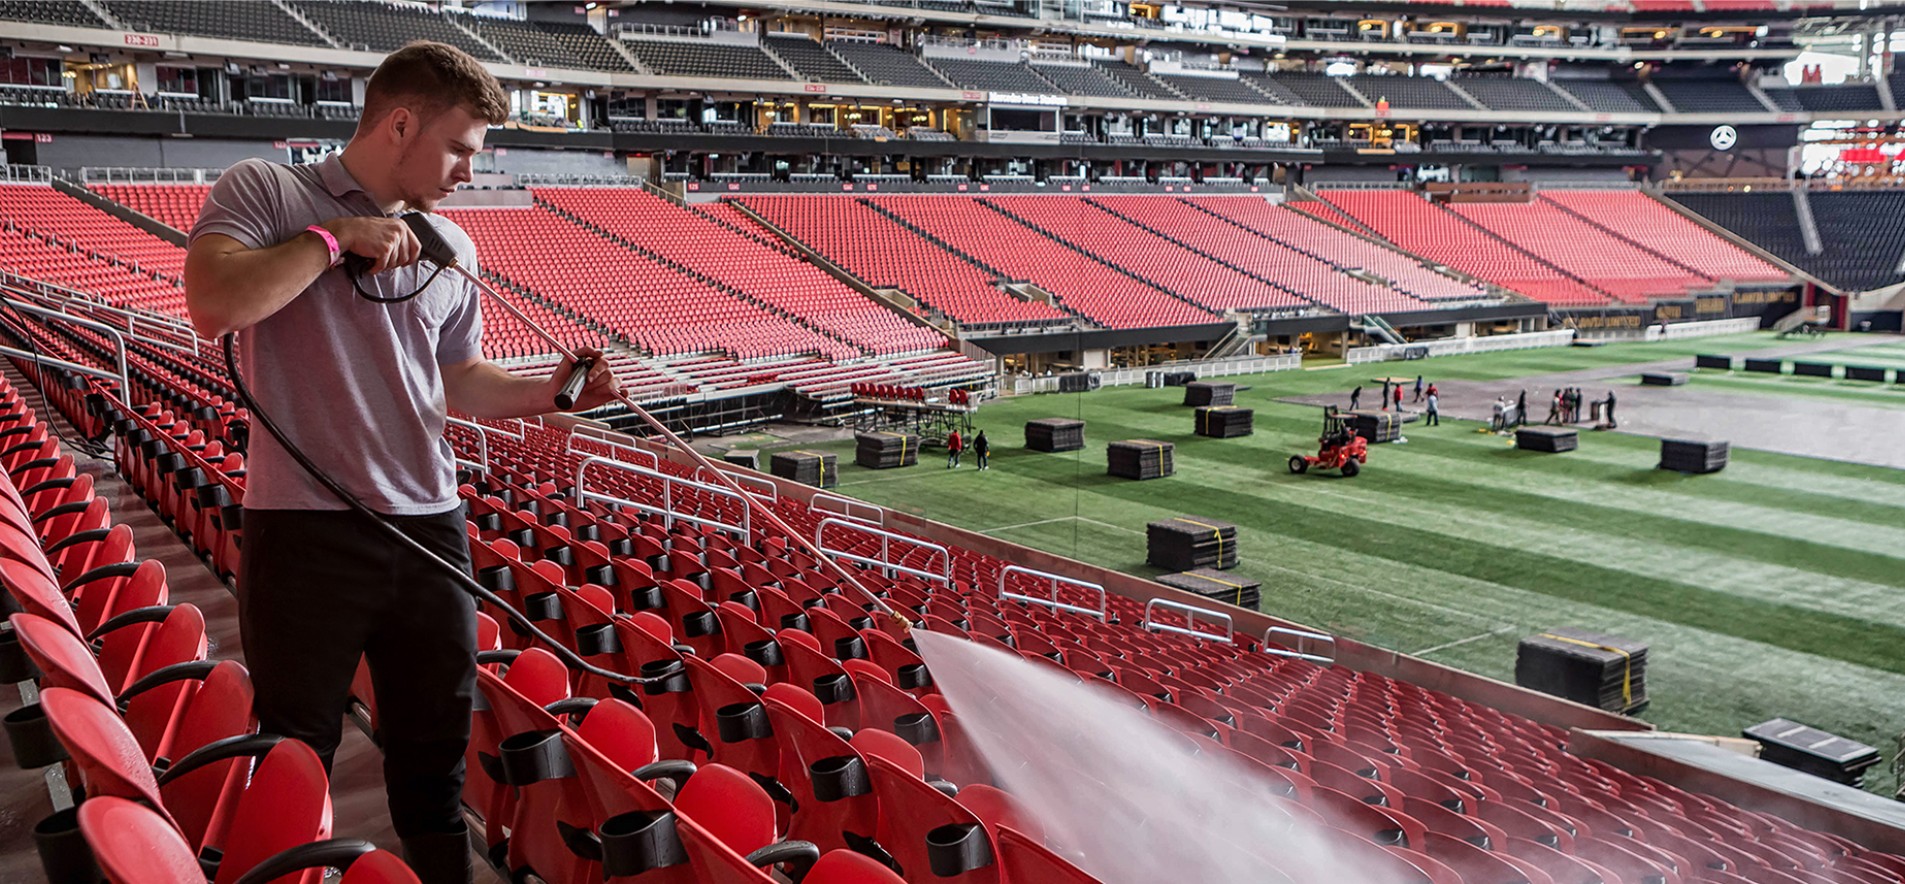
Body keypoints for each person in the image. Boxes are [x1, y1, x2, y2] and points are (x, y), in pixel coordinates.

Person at [183, 42, 620, 883]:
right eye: (458, 148)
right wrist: (333, 236)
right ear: (399, 123)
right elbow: (215, 303)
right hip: (303, 530)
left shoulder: (451, 243)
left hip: (429, 526)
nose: (467, 169)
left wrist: (553, 395)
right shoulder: (266, 189)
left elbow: (457, 381)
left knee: (435, 754)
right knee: (293, 748)